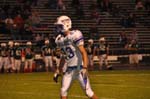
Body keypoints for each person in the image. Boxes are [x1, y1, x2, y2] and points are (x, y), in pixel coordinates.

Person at [54, 15, 98, 99]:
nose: (57, 28)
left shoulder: (74, 35)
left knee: (88, 92)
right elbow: (64, 56)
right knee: (63, 91)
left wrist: (85, 67)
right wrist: (58, 70)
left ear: (66, 25)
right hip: (69, 70)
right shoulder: (59, 39)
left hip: (79, 69)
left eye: (59, 26)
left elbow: (83, 52)